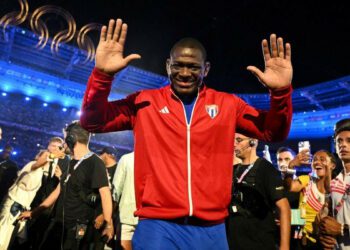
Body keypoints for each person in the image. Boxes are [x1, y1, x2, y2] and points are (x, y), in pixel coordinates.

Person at [80, 18, 293, 249]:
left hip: (212, 229)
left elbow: (273, 132)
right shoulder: (144, 102)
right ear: (167, 65)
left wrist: (280, 93)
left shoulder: (228, 105)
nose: (184, 73)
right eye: (177, 65)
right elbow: (92, 122)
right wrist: (102, 76)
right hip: (157, 225)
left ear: (206, 69)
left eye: (193, 67)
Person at [20, 121, 114, 250]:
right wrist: (33, 213)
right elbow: (58, 191)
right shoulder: (72, 162)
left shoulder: (95, 162)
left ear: (71, 138)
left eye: (65, 139)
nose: (64, 144)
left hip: (77, 229)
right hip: (58, 224)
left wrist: (108, 224)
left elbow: (105, 194)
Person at [226, 133, 290, 249]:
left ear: (253, 141)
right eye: (233, 140)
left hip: (260, 243)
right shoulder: (233, 170)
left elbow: (284, 207)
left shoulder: (266, 169)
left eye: (239, 140)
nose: (234, 144)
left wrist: (284, 246)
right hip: (235, 244)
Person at [0, 150, 56, 250]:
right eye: (45, 156)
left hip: (21, 210)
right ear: (37, 157)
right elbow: (37, 165)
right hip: (12, 207)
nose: (47, 159)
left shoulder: (42, 173)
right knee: (2, 239)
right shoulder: (32, 165)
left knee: (9, 241)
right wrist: (51, 155)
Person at [284, 150, 336, 249]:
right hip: (302, 242)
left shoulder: (337, 188)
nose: (317, 162)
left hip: (325, 243)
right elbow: (289, 187)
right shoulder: (306, 181)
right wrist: (291, 166)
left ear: (332, 165)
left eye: (322, 159)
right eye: (314, 160)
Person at [319, 118, 350, 249]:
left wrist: (342, 229)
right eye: (339, 141)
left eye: (349, 141)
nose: (343, 145)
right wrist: (324, 232)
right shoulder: (335, 181)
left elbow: (339, 227)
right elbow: (329, 217)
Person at [92, 146, 119, 250]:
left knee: (99, 245)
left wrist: (105, 215)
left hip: (109, 217)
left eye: (101, 154)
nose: (99, 156)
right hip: (94, 212)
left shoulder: (118, 169)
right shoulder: (99, 169)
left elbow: (117, 196)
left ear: (107, 154)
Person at [112, 152, 138, 250]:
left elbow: (115, 192)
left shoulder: (127, 158)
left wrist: (109, 220)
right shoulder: (158, 159)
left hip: (127, 217)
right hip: (150, 219)